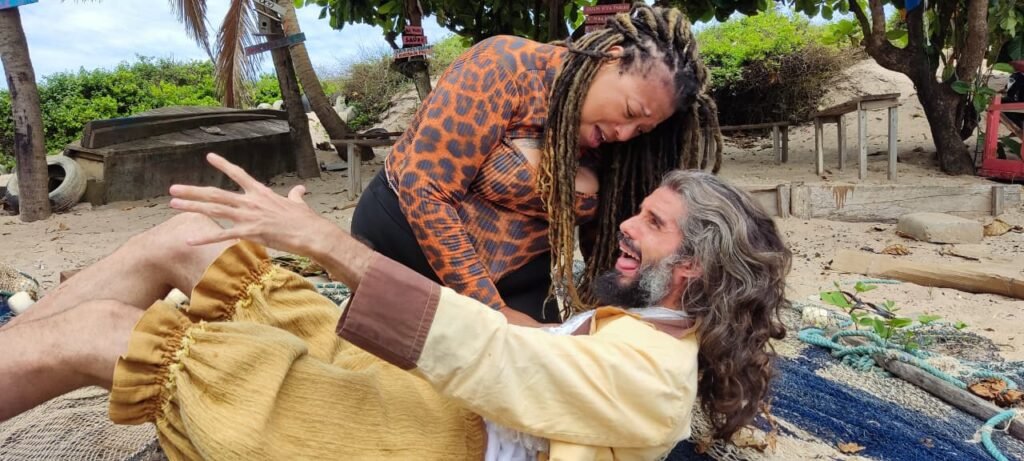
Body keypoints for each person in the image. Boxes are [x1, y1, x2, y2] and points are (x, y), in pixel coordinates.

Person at [0, 154, 786, 460]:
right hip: (427, 387)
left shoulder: (654, 382)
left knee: (107, 334)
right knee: (188, 236)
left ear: (692, 269)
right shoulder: (636, 334)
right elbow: (529, 344)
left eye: (651, 224)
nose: (622, 226)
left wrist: (326, 244)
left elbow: (502, 359)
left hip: (422, 439)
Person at [351, 4, 723, 325]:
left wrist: (622, 310)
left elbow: (606, 237)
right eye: (629, 112)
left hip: (520, 277)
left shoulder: (617, 143)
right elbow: (426, 192)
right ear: (610, 59)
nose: (625, 134)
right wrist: (494, 313)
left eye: (641, 129)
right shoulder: (501, 67)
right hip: (406, 248)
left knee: (553, 369)